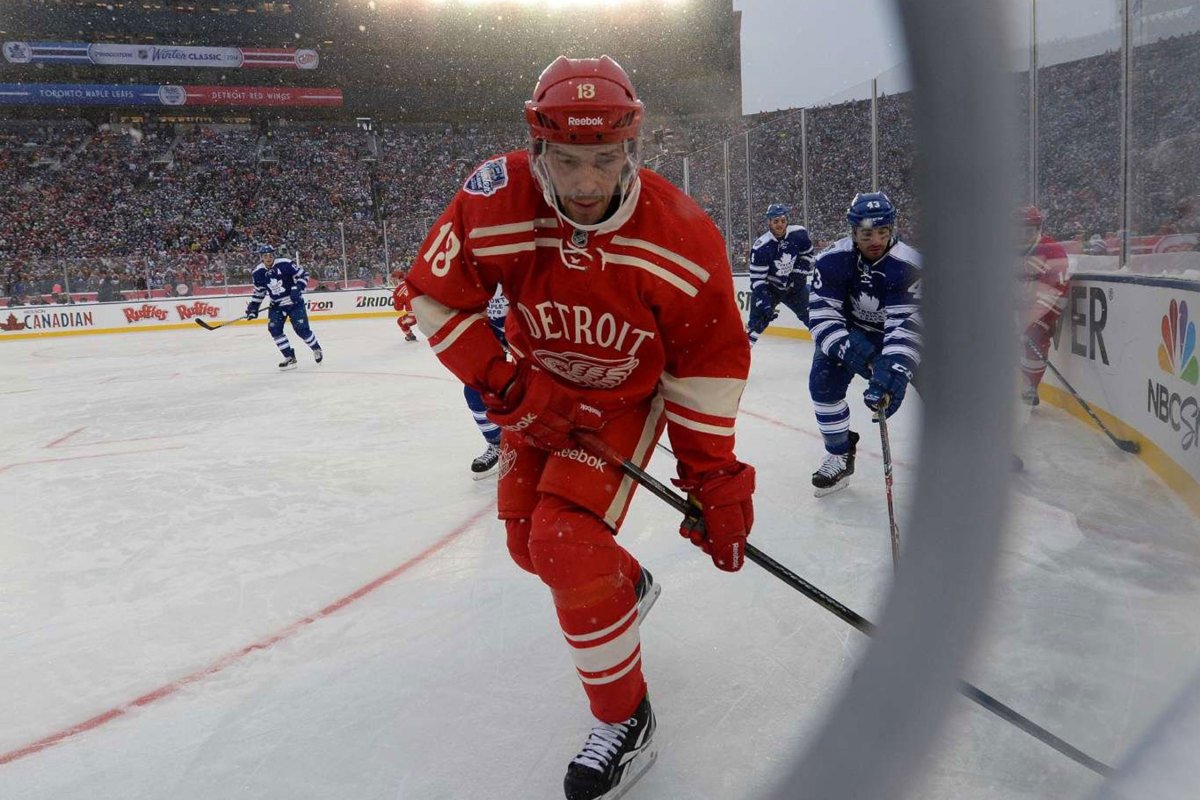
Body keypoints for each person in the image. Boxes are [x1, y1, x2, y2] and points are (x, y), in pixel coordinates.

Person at [404, 55, 754, 800]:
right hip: (535, 392)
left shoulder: (684, 234)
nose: (588, 183)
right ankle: (624, 584)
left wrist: (713, 478)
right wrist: (507, 386)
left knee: (563, 541)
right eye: (568, 161)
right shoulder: (494, 199)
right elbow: (434, 300)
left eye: (605, 159)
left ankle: (627, 720)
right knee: (528, 547)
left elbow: (705, 365)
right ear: (538, 151)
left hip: (625, 398)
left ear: (632, 149)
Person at [807, 192, 922, 496]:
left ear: (892, 230)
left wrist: (893, 368)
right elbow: (822, 319)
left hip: (894, 336)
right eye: (867, 233)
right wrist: (867, 359)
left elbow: (906, 325)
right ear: (853, 232)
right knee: (822, 386)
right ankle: (839, 453)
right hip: (851, 333)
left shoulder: (908, 264)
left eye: (882, 232)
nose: (875, 240)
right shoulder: (832, 260)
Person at [1016, 206, 1069, 406]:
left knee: (1034, 335)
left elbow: (1057, 290)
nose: (1023, 236)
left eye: (1029, 231)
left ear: (1038, 228)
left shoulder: (1052, 251)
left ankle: (1031, 386)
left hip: (1044, 306)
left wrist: (1038, 320)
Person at [746, 203, 814, 347]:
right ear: (769, 222)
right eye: (775, 221)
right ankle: (737, 360)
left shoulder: (799, 234)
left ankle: (832, 352)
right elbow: (757, 281)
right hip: (770, 289)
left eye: (783, 220)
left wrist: (799, 274)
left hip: (794, 287)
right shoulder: (761, 247)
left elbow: (807, 255)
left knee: (814, 317)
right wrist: (764, 302)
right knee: (754, 327)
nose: (780, 224)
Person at [245, 244, 322, 371]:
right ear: (261, 258)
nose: (268, 258)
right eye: (265, 256)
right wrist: (253, 308)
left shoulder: (285, 264)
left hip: (294, 303)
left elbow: (304, 275)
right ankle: (289, 357)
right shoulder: (258, 273)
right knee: (274, 330)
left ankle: (316, 348)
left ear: (274, 255)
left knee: (302, 330)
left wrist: (297, 288)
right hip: (277, 305)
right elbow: (259, 292)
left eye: (270, 255)